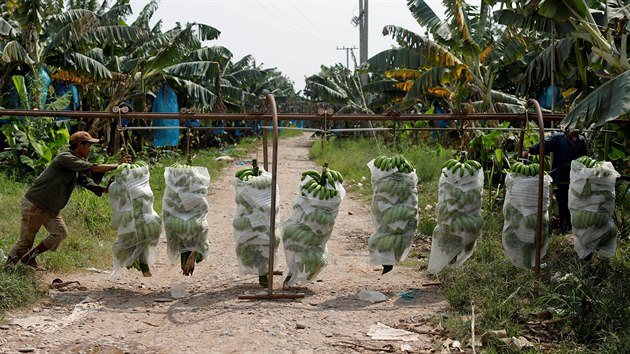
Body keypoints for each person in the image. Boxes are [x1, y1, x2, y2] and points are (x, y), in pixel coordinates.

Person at [4, 131, 129, 270]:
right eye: (88, 145)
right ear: (80, 145)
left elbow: (86, 181)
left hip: (50, 208)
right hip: (36, 204)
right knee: (25, 241)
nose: (90, 149)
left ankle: (29, 257)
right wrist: (119, 165)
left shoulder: (76, 163)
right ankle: (8, 268)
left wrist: (105, 189)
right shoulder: (65, 157)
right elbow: (93, 168)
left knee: (60, 233)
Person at [523, 127, 588, 234]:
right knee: (563, 202)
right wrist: (529, 150)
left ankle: (574, 226)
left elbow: (585, 158)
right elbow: (544, 145)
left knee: (576, 202)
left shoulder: (582, 140)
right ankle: (564, 227)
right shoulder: (558, 138)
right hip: (562, 176)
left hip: (577, 178)